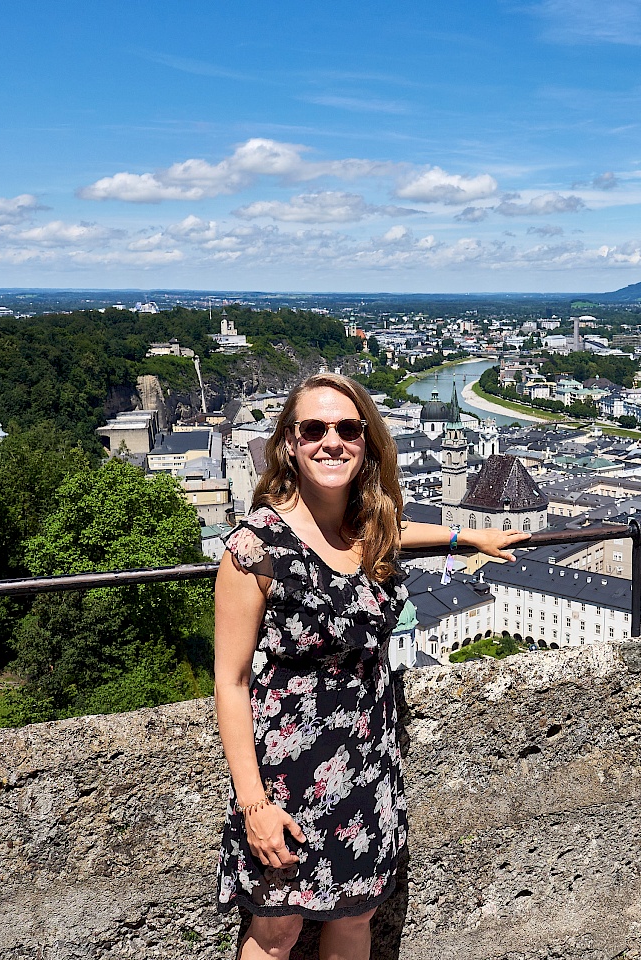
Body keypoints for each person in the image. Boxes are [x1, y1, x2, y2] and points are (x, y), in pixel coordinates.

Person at [214, 373, 529, 960]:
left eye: (347, 429)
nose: (331, 442)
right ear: (288, 443)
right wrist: (254, 804)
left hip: (369, 766)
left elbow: (398, 533)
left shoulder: (366, 530)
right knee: (276, 929)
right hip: (290, 774)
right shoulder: (252, 550)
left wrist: (468, 537)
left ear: (366, 442)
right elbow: (228, 684)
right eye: (314, 429)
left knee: (355, 920)